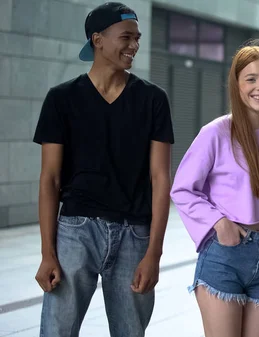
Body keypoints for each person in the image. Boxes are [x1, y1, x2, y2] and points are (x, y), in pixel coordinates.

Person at [33, 2, 174, 336]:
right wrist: (47, 253)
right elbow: (50, 180)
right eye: (126, 37)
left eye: (137, 38)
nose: (134, 45)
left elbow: (160, 178)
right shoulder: (61, 99)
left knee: (130, 331)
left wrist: (154, 252)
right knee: (57, 331)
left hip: (135, 234)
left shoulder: (153, 100)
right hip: (76, 231)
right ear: (97, 39)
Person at [170, 43, 259, 337]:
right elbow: (183, 189)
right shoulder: (216, 132)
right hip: (226, 255)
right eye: (251, 78)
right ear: (237, 84)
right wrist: (218, 223)